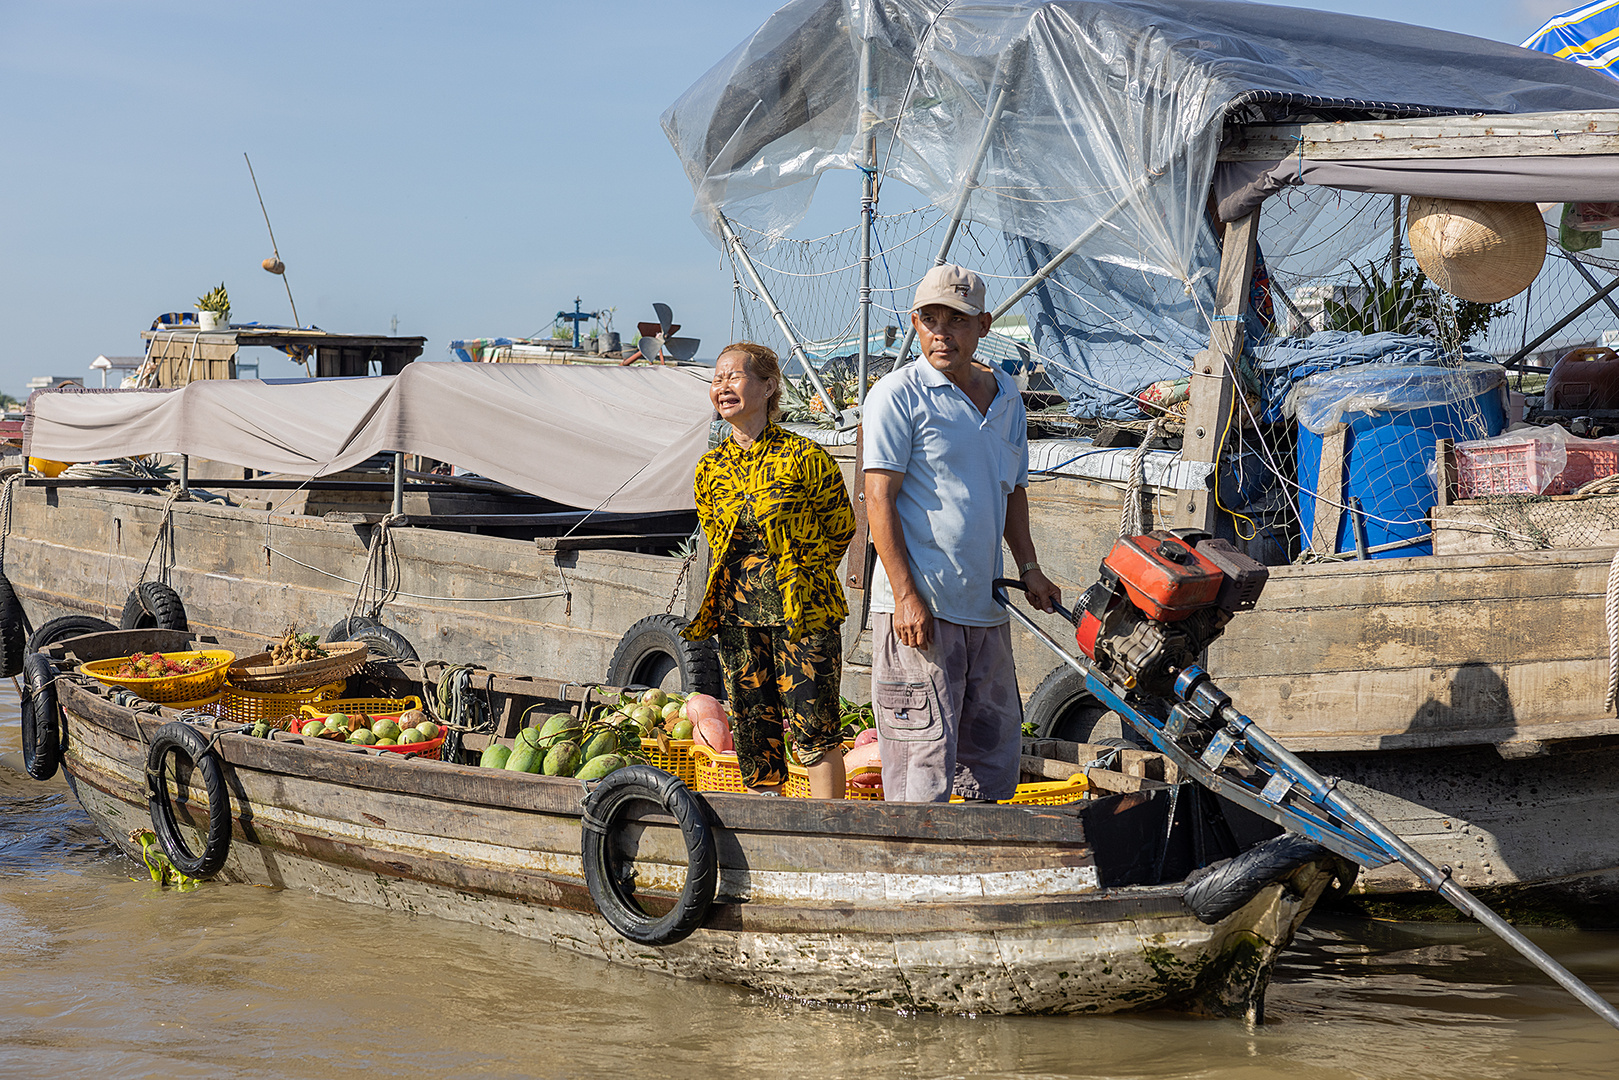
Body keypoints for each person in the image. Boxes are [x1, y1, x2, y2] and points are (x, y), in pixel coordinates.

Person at [863, 264, 1061, 803]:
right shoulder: (896, 394)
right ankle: (918, 873)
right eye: (929, 320)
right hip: (920, 613)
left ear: (985, 326)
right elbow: (879, 498)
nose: (941, 333)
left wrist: (1030, 568)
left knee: (993, 757)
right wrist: (905, 596)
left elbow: (1012, 490)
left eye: (957, 320)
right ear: (915, 323)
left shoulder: (1007, 398)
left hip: (986, 608)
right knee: (920, 765)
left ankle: (980, 873)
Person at [684, 342, 857, 798]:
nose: (722, 387)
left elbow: (841, 526)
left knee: (815, 732)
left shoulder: (805, 457)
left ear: (768, 386)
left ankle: (830, 837)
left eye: (734, 377)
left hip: (804, 617)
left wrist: (801, 574)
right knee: (753, 736)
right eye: (717, 379)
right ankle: (771, 836)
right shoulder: (710, 468)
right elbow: (718, 540)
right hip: (738, 619)